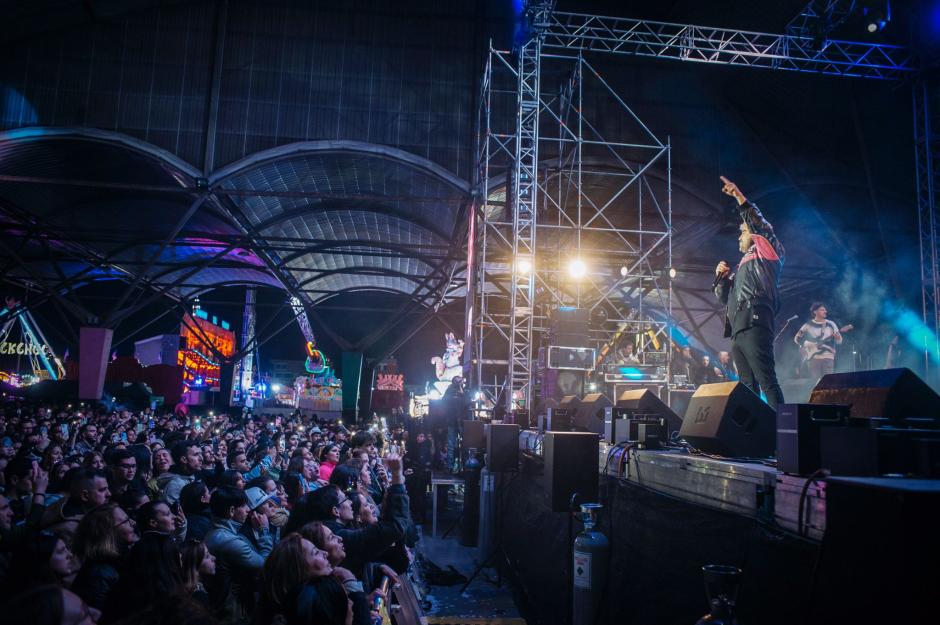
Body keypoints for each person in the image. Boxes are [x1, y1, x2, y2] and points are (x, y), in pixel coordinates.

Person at [714, 176, 785, 410]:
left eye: (742, 232)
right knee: (746, 385)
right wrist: (721, 279)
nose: (739, 236)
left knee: (767, 381)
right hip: (738, 327)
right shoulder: (742, 265)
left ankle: (781, 437)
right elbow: (725, 298)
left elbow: (759, 225)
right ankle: (755, 436)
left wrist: (739, 197)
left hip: (755, 320)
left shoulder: (767, 251)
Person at [203, 486, 274, 619]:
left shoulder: (217, 532)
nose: (248, 509)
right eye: (244, 506)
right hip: (234, 612)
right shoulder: (228, 541)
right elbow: (265, 564)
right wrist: (264, 531)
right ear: (231, 511)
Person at [794, 302, 849, 381]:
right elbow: (797, 338)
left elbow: (839, 341)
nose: (825, 311)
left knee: (828, 383)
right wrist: (808, 344)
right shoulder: (808, 325)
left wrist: (837, 338)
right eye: (822, 310)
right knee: (815, 383)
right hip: (813, 358)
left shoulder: (831, 324)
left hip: (828, 357)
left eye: (825, 310)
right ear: (815, 312)